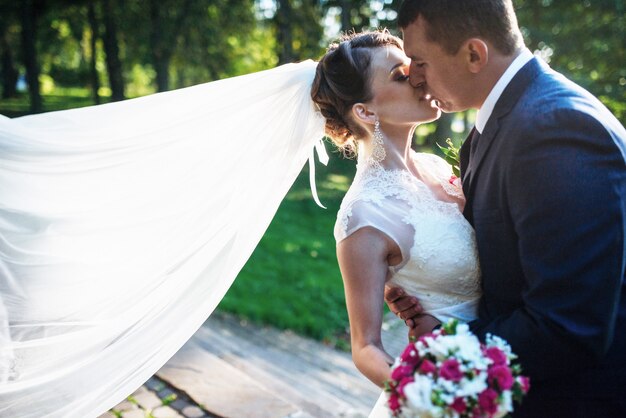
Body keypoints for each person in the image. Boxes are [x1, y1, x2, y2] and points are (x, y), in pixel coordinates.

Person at [385, 0, 626, 416]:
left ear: (474, 54)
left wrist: (447, 341)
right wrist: (427, 284)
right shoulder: (502, 123)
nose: (414, 76)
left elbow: (568, 326)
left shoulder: (556, 129)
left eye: (420, 61)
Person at [311, 29, 482, 407]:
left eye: (415, 65)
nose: (421, 76)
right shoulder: (364, 217)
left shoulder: (438, 168)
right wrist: (429, 397)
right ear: (366, 111)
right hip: (453, 388)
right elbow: (365, 348)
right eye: (401, 75)